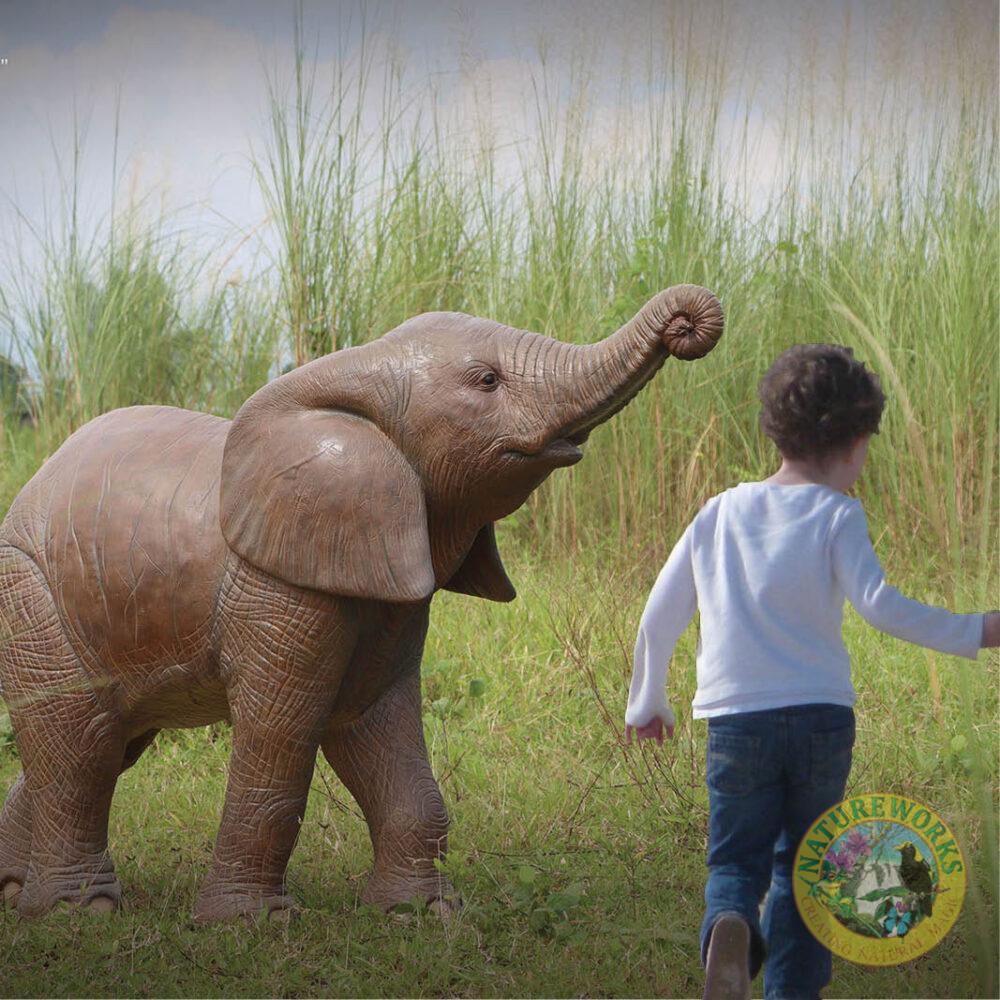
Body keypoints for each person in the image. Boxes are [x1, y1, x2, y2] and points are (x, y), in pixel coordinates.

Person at [623, 344, 999, 1000]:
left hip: (737, 722)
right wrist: (976, 629)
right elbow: (881, 609)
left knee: (734, 860)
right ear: (856, 443)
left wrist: (647, 701)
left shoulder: (720, 513)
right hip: (822, 720)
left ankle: (730, 929)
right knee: (809, 860)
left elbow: (658, 616)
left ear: (777, 431)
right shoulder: (837, 515)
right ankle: (794, 991)